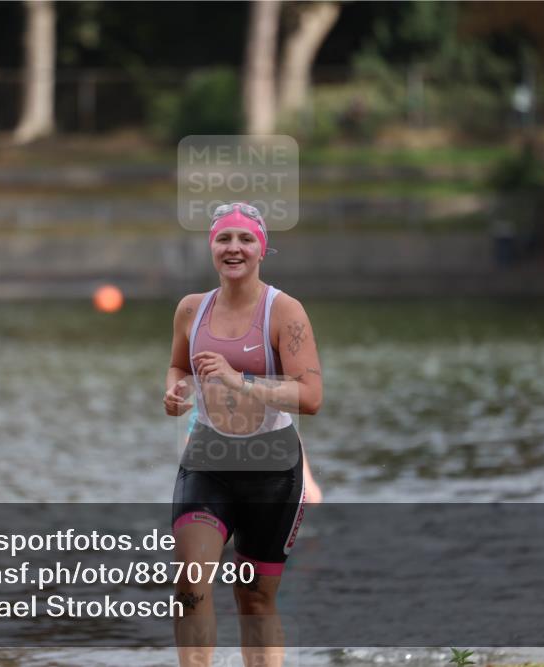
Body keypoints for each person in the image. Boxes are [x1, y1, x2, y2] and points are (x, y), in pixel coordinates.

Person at [163, 203, 323, 667]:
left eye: (245, 239)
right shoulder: (191, 309)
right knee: (191, 582)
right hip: (207, 460)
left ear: (262, 249)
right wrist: (176, 390)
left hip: (271, 468)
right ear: (211, 246)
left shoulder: (284, 311)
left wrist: (239, 380)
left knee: (254, 599)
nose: (234, 248)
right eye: (224, 238)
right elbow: (178, 364)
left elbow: (311, 397)